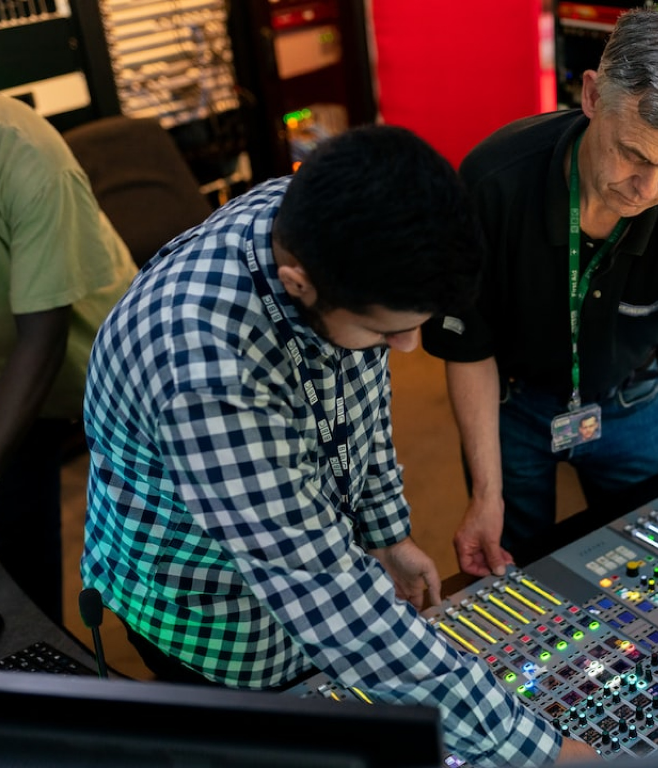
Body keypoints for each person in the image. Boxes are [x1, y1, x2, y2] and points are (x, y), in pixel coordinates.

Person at [79, 124, 596, 767]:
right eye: (391, 331)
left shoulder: (319, 222)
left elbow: (356, 396)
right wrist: (542, 754)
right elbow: (325, 595)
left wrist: (385, 533)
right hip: (211, 617)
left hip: (299, 556)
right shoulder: (207, 371)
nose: (410, 350)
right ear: (298, 284)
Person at [421, 4, 658, 721]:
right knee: (510, 573)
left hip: (632, 402)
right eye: (635, 155)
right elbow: (471, 349)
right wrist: (483, 490)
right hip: (514, 404)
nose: (649, 189)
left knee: (648, 574)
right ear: (590, 96)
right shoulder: (493, 180)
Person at [0, 93, 138, 624]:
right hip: (11, 363)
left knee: (156, 562)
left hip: (89, 368)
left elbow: (43, 340)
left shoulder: (28, 156)